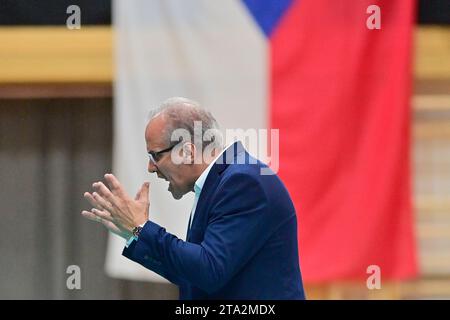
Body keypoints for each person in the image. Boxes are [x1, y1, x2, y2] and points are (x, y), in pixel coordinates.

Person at [82, 97, 305, 299]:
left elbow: (209, 271)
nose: (151, 167)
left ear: (187, 152)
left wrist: (141, 227)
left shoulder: (244, 182)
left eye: (155, 155)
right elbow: (194, 277)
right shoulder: (224, 181)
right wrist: (136, 234)